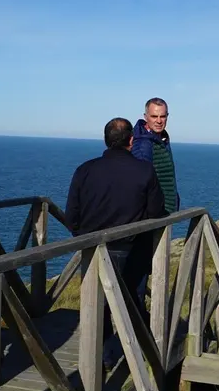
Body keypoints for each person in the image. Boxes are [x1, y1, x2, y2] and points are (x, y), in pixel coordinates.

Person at [65, 118, 166, 369]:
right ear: (131, 141)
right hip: (132, 250)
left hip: (94, 250)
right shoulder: (145, 171)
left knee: (98, 305)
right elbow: (156, 212)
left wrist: (85, 237)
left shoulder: (84, 170)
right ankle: (136, 355)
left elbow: (71, 216)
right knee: (131, 302)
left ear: (106, 140)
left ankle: (101, 357)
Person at [131, 97, 179, 214]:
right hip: (153, 217)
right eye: (154, 116)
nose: (159, 121)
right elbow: (140, 183)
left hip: (164, 213)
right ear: (145, 117)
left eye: (163, 116)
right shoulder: (143, 144)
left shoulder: (161, 138)